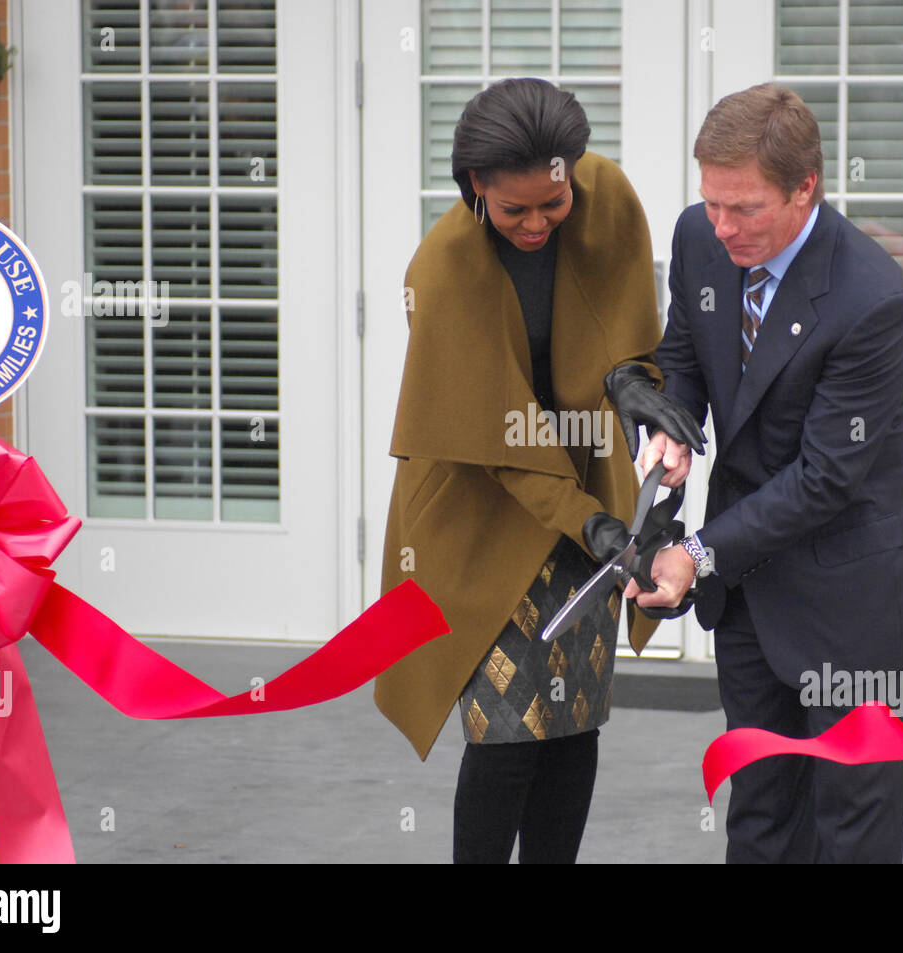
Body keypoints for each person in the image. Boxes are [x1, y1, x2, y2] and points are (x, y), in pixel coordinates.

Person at [627, 83, 903, 863]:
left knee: (852, 828)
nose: (721, 225)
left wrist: (696, 554)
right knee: (762, 813)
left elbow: (824, 477)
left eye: (744, 208)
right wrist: (671, 425)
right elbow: (686, 351)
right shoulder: (702, 238)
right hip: (751, 595)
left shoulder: (875, 301)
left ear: (806, 187)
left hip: (855, 604)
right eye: (710, 201)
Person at [375, 78, 704, 864]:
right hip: (481, 503)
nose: (535, 224)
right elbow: (500, 443)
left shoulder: (607, 199)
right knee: (505, 734)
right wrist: (596, 525)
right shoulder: (443, 269)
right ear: (474, 185)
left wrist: (632, 387)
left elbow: (624, 329)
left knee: (573, 720)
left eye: (550, 205)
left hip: (585, 489)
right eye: (512, 208)